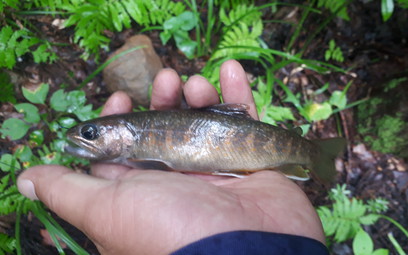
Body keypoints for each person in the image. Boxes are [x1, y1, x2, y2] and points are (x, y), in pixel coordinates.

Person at [17, 60, 329, 254]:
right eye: (89, 134)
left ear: (124, 133)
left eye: (90, 134)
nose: (84, 139)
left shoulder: (138, 148)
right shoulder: (135, 152)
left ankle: (318, 156)